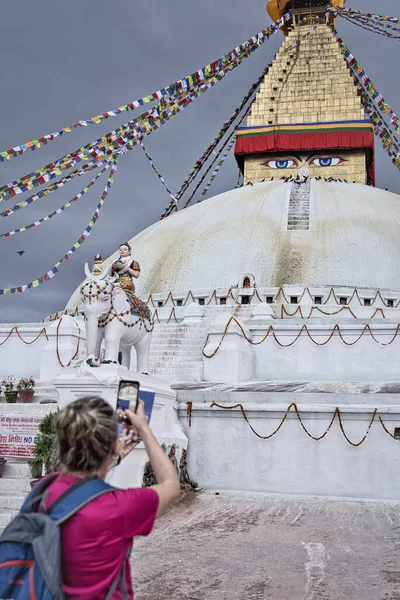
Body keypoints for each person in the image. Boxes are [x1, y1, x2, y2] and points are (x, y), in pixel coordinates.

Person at [42, 396, 180, 600]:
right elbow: (171, 485)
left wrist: (111, 459)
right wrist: (144, 429)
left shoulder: (44, 489)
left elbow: (81, 482)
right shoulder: (118, 507)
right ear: (113, 446)